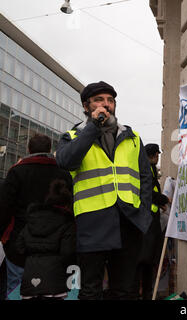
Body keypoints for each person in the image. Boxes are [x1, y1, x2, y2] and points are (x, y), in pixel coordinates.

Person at [55, 81, 153, 300]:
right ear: (86, 106)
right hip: (93, 222)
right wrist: (92, 128)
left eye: (110, 100)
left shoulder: (132, 136)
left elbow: (145, 178)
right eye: (99, 100)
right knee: (91, 290)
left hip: (129, 221)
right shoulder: (72, 136)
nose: (106, 105)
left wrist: (144, 213)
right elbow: (65, 161)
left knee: (126, 290)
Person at [0, 134, 72, 299]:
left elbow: (4, 208)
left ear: (29, 149)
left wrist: (4, 237)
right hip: (55, 247)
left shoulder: (17, 172)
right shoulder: (63, 175)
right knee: (53, 290)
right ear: (49, 150)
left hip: (20, 244)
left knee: (16, 288)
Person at [17, 179, 76, 300]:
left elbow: (19, 247)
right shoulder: (67, 222)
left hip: (30, 277)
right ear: (66, 204)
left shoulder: (32, 220)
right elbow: (68, 252)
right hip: (54, 279)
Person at [134, 143, 169, 300]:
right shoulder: (145, 170)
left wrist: (159, 203)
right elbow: (148, 192)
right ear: (152, 155)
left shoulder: (151, 170)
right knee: (144, 260)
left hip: (151, 222)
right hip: (146, 223)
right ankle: (142, 293)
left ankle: (146, 293)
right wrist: (164, 199)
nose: (158, 157)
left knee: (148, 260)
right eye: (157, 155)